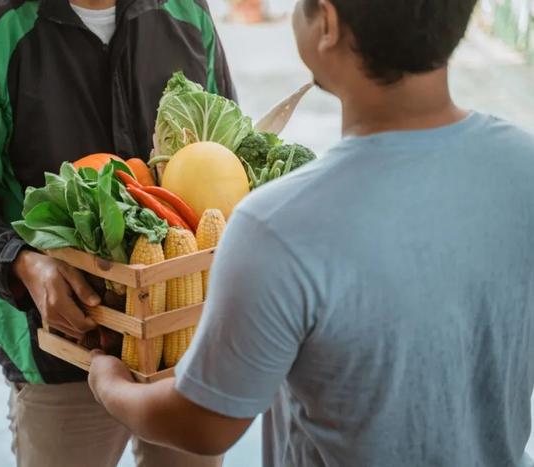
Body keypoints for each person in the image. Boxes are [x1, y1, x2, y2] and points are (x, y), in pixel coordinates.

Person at [87, 0, 534, 465]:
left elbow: (204, 424)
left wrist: (108, 384)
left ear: (327, 23)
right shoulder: (524, 166)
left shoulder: (277, 226)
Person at [0, 0, 235, 465]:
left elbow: (224, 148)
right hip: (57, 349)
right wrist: (22, 264)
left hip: (181, 339)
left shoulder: (186, 12)